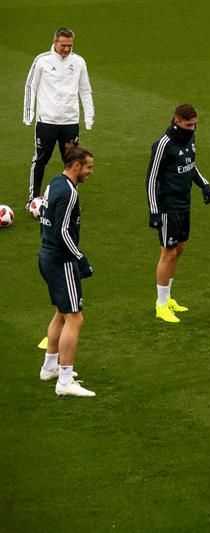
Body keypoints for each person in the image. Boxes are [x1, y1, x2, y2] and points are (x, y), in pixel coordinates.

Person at [37, 142, 96, 397]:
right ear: (76, 166)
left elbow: (45, 221)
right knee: (75, 318)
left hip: (47, 255)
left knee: (62, 313)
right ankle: (64, 381)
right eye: (88, 167)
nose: (90, 172)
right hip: (61, 260)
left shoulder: (54, 183)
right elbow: (63, 231)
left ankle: (49, 367)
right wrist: (79, 258)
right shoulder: (69, 193)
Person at [145, 104, 210, 323]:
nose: (192, 128)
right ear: (177, 121)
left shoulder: (189, 138)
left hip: (184, 203)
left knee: (179, 250)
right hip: (168, 206)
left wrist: (203, 184)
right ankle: (161, 304)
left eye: (195, 124)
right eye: (188, 125)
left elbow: (189, 164)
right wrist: (154, 211)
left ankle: (168, 297)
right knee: (168, 253)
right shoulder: (163, 144)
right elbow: (151, 179)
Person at [23, 27, 94, 211]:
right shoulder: (42, 60)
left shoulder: (78, 62)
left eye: (70, 45)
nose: (67, 49)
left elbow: (85, 89)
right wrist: (29, 114)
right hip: (46, 121)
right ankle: (33, 199)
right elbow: (31, 86)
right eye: (63, 45)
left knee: (73, 162)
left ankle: (71, 199)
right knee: (40, 159)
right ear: (55, 42)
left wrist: (89, 116)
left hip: (70, 122)